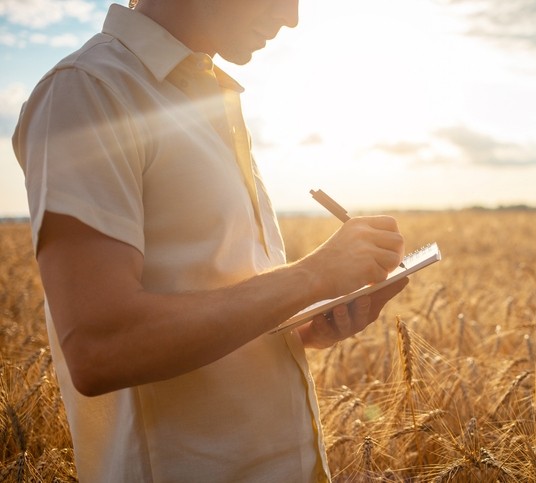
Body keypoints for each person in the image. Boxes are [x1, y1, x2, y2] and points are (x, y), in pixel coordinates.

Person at [12, 0, 408, 481]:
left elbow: (211, 293)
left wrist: (303, 324)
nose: (293, 17)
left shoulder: (203, 96)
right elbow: (102, 347)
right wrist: (311, 275)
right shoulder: (89, 91)